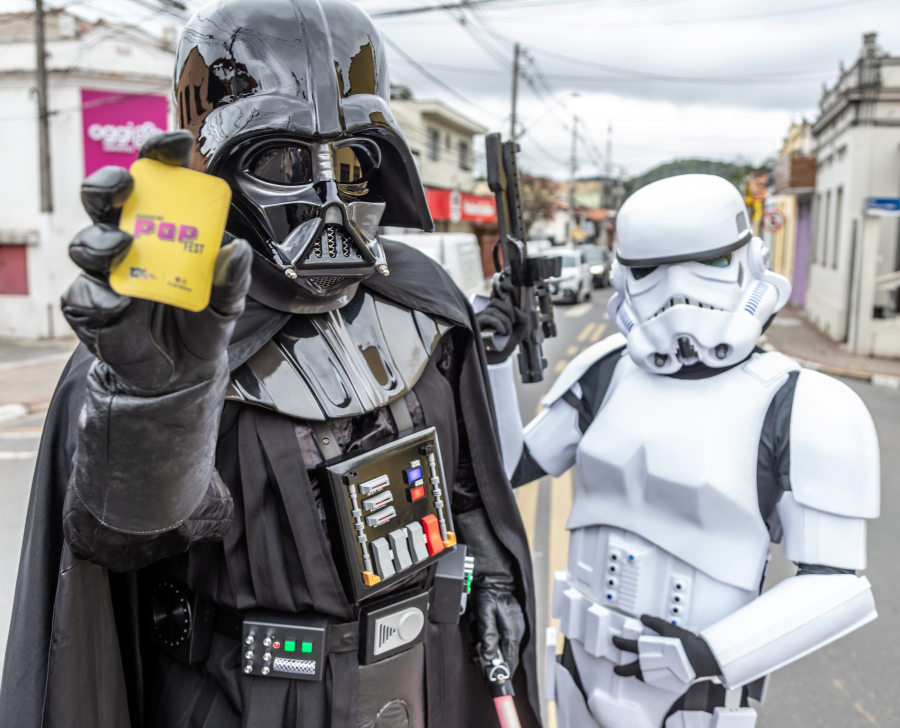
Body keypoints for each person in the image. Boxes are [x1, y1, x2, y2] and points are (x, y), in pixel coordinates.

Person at [0, 2, 540, 726]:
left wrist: (496, 577)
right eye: (283, 160)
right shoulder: (167, 334)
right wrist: (158, 412)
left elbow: (465, 480)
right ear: (215, 168)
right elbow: (120, 540)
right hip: (242, 696)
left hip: (423, 680)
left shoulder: (424, 299)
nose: (326, 196)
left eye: (351, 162)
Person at [479, 174, 880, 728]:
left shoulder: (802, 404)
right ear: (625, 274)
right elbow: (505, 469)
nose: (677, 290)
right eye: (648, 271)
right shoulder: (603, 371)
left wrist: (708, 654)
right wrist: (494, 362)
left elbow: (837, 584)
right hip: (575, 671)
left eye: (708, 263)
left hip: (691, 694)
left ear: (749, 260)